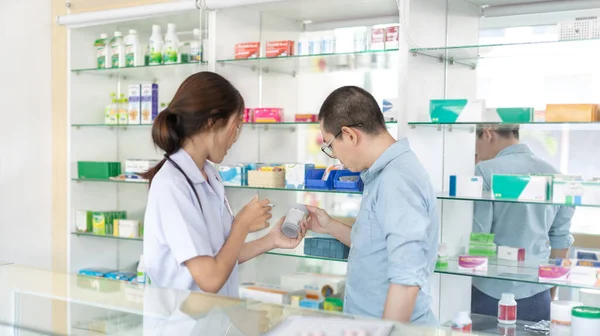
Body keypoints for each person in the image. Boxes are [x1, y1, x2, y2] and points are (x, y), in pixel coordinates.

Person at [142, 71, 306, 295]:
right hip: (182, 324)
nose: (236, 136)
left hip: (212, 319)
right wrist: (242, 225)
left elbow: (222, 256)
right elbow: (210, 278)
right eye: (236, 125)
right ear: (212, 122)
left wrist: (271, 240)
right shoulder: (172, 185)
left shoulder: (209, 174)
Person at [305, 86, 439, 325]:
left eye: (329, 146)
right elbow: (375, 245)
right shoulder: (382, 173)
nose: (333, 155)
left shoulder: (396, 180)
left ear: (349, 135)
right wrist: (329, 226)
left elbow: (406, 280)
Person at [472, 124, 575, 322]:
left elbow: (479, 239)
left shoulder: (485, 171)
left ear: (487, 133)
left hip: (488, 293)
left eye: (475, 142)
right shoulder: (556, 175)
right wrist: (548, 292)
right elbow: (561, 242)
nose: (476, 151)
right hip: (537, 293)